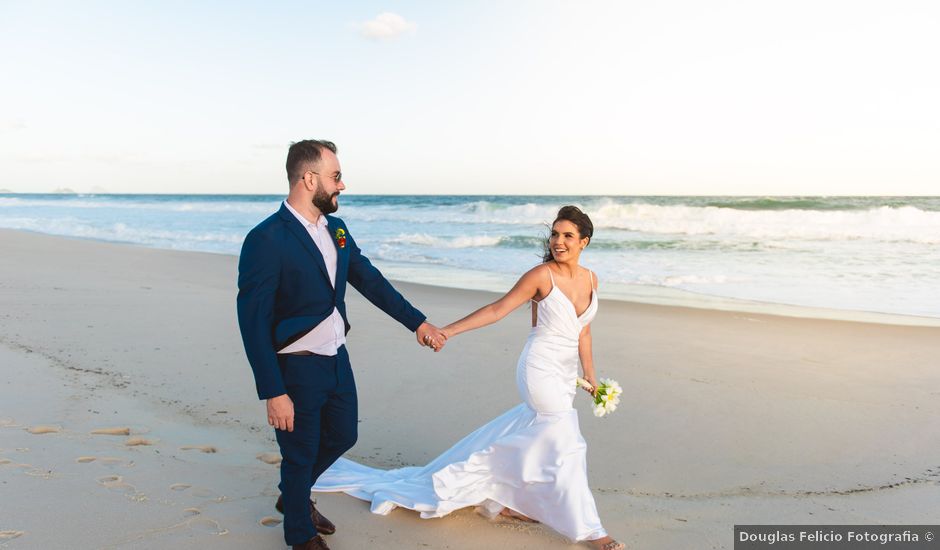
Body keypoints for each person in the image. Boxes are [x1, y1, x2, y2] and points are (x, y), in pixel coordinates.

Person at [312, 206, 625, 550]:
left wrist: (591, 376)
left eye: (567, 235)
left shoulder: (592, 279)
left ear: (585, 241)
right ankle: (591, 531)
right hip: (539, 368)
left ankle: (502, 500)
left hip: (565, 375)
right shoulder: (540, 275)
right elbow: (497, 309)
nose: (558, 242)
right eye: (554, 234)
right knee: (567, 440)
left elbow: (584, 333)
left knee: (538, 435)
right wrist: (448, 331)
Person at [236, 139, 446, 550]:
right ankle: (299, 532)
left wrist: (417, 323)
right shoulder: (266, 238)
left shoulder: (337, 229)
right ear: (308, 178)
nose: (342, 185)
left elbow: (368, 279)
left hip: (336, 357)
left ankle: (292, 496)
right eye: (335, 177)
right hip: (294, 366)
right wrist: (273, 391)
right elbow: (252, 322)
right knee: (300, 452)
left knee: (343, 435)